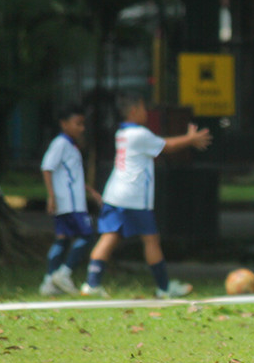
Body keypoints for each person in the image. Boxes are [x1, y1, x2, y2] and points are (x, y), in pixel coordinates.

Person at [81, 92, 212, 299]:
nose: (146, 112)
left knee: (109, 237)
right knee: (151, 240)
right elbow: (166, 146)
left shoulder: (122, 133)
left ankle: (91, 285)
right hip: (133, 197)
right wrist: (191, 139)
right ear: (134, 111)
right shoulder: (139, 134)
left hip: (115, 194)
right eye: (143, 108)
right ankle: (164, 288)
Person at [39, 105, 102, 296]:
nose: (82, 128)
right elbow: (47, 168)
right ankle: (64, 273)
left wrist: (89, 190)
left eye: (83, 124)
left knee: (62, 240)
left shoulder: (71, 144)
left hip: (70, 201)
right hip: (70, 203)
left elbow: (70, 175)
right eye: (78, 123)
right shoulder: (60, 144)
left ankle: (49, 281)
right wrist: (51, 196)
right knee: (87, 235)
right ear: (64, 124)